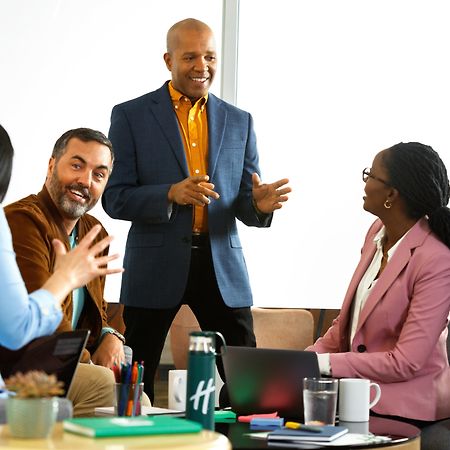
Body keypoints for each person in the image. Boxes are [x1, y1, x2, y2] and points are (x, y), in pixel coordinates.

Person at [102, 18, 291, 402]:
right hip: (154, 266)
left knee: (250, 383)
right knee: (135, 381)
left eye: (209, 56)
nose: (201, 66)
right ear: (168, 59)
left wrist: (258, 206)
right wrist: (170, 194)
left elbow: (243, 200)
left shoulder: (240, 121)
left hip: (221, 263)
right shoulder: (130, 116)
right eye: (190, 56)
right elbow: (115, 197)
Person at [307, 142, 450, 425]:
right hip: (356, 397)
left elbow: (406, 361)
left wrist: (324, 365)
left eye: (370, 175)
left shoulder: (436, 259)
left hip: (408, 407)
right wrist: (297, 363)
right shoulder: (376, 233)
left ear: (391, 194)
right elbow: (347, 327)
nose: (365, 182)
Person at [0, 124, 123, 418]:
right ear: (52, 165)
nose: (85, 180)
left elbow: (97, 309)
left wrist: (110, 334)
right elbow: (34, 322)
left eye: (99, 174)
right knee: (103, 383)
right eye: (77, 166)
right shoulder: (22, 220)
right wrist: (86, 362)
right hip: (26, 360)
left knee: (136, 397)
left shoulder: (93, 230)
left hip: (67, 358)